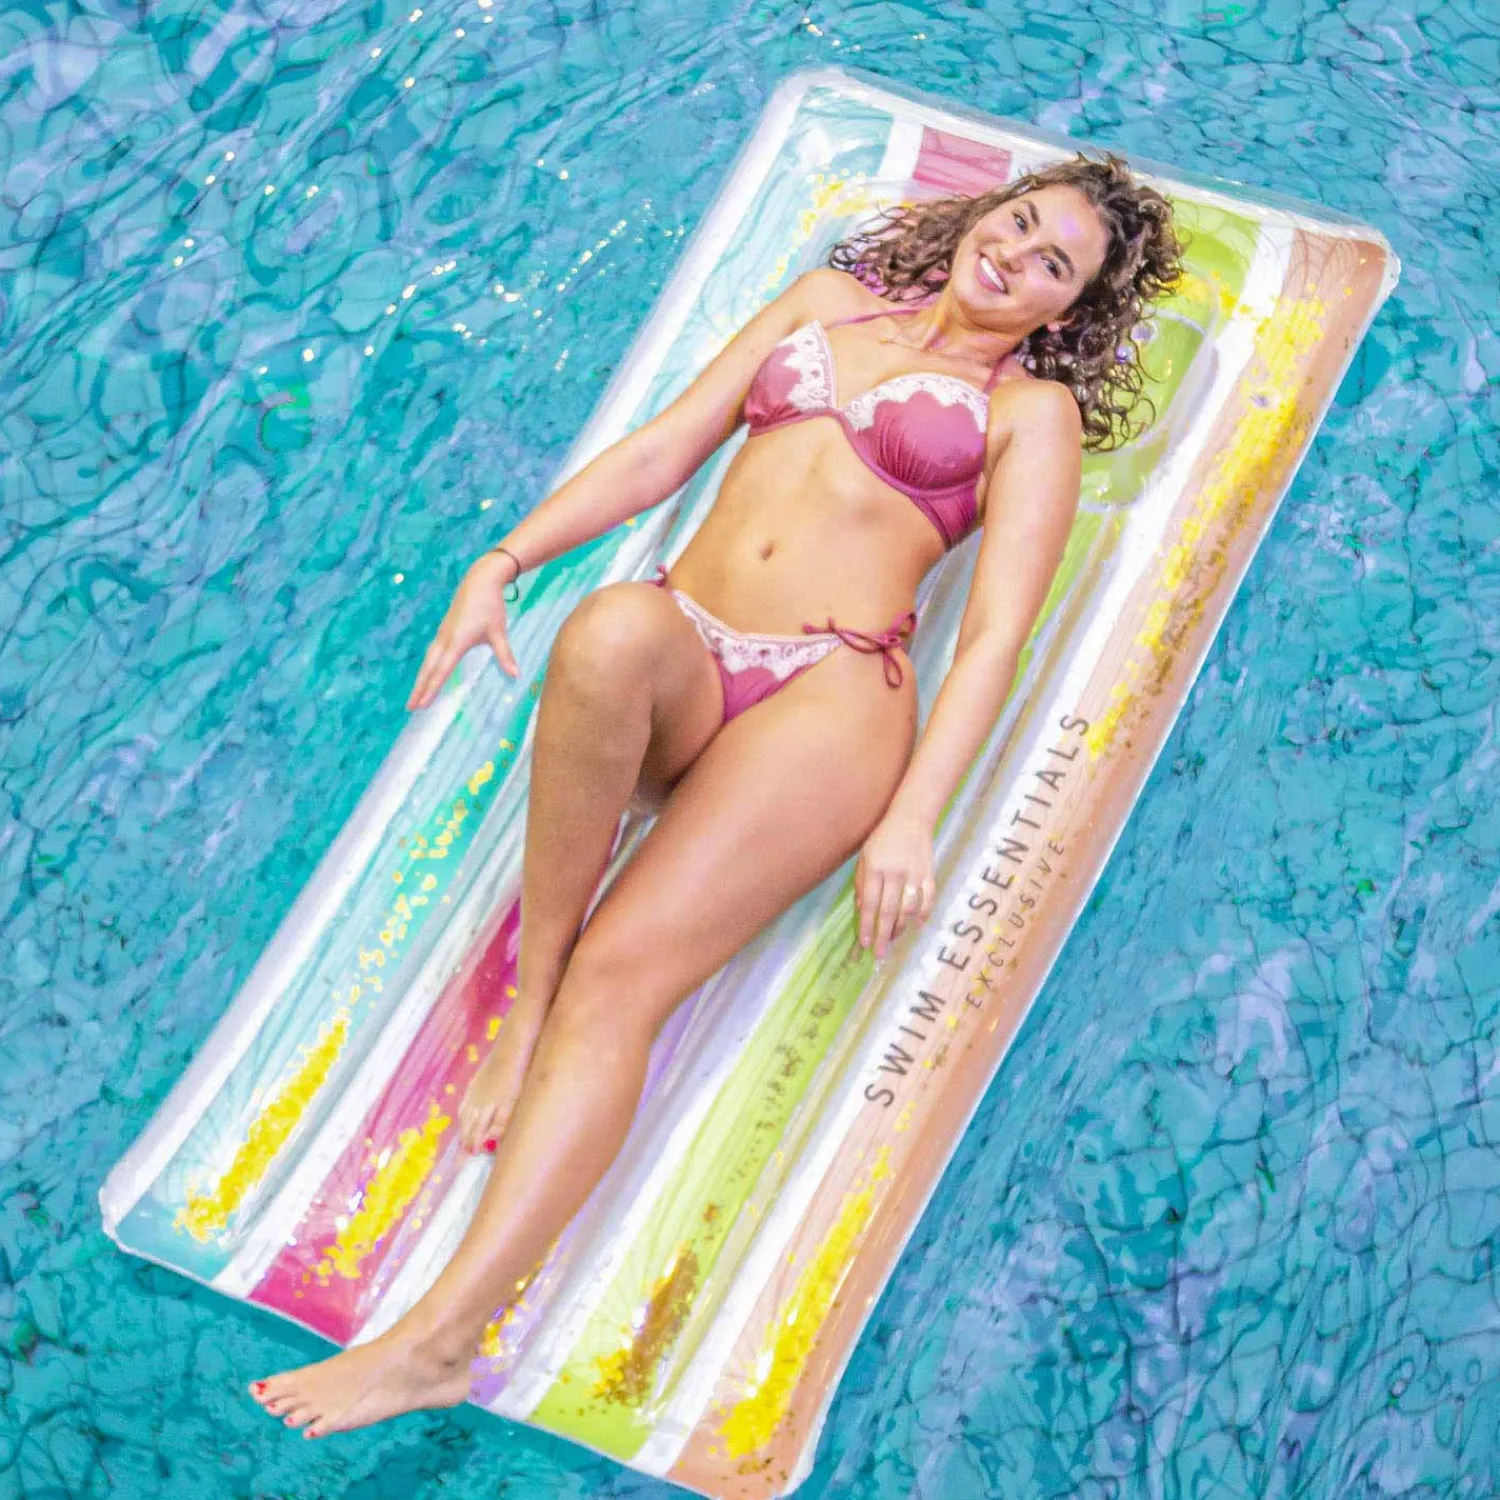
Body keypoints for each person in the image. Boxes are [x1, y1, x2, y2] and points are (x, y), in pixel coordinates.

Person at [249, 151, 1181, 1437]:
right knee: (608, 629)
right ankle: (526, 1010)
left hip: (828, 704)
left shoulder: (1030, 417)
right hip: (685, 652)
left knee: (623, 978)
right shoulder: (824, 304)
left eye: (1053, 264)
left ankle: (436, 1345)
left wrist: (912, 818)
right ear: (985, 212)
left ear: (1069, 309)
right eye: (1018, 222)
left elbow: (994, 640)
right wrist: (502, 563)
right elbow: (663, 452)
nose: (1015, 255)